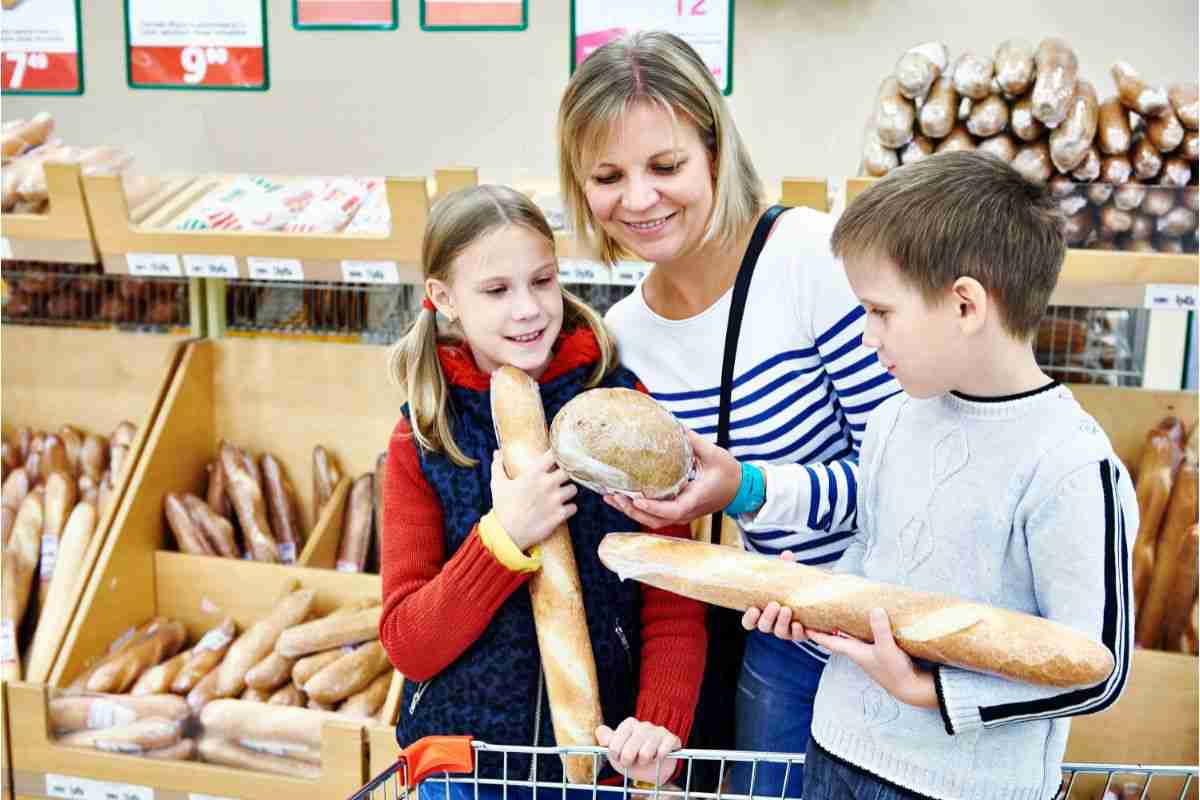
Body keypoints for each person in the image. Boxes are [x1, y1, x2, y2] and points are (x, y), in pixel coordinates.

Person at [557, 30, 897, 794]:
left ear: (714, 149)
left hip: (892, 640)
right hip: (779, 634)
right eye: (607, 176)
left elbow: (906, 479)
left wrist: (743, 490)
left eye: (666, 165)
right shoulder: (626, 337)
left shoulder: (810, 259)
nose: (638, 199)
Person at [747, 151, 1136, 800]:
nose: (868, 338)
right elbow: (874, 556)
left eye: (881, 312)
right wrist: (813, 597)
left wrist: (929, 691)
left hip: (960, 787)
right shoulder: (894, 419)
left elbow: (1099, 668)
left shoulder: (1069, 465)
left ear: (964, 305)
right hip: (836, 746)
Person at [377, 185, 707, 796]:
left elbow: (673, 596)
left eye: (543, 281)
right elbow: (409, 646)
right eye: (497, 291)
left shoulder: (619, 406)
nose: (528, 309)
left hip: (603, 764)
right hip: (462, 771)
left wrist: (660, 727)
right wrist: (503, 539)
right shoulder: (423, 436)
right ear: (444, 298)